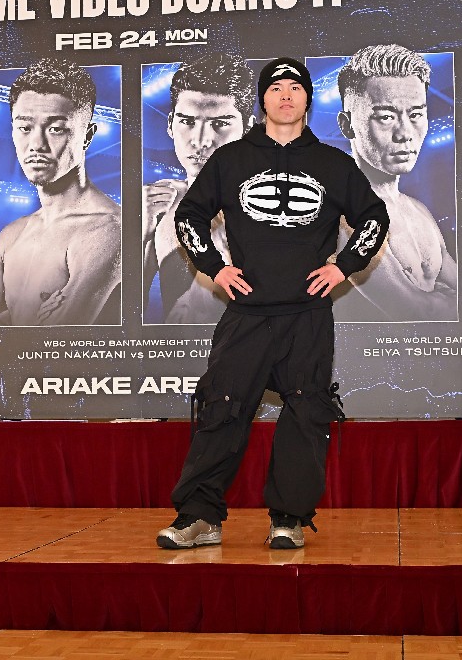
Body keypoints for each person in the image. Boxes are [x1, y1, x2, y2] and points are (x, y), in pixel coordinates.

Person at [157, 58, 389, 550]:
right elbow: (189, 216)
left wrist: (343, 266)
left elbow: (374, 218)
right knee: (221, 409)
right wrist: (214, 266)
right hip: (247, 313)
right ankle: (199, 517)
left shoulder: (332, 163)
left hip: (307, 315)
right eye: (276, 87)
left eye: (295, 87)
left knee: (306, 415)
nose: (286, 95)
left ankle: (289, 519)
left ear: (307, 99)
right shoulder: (231, 159)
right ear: (262, 99)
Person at [0, 58, 121, 326]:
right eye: (25, 128)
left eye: (56, 129)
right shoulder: (12, 234)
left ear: (87, 136)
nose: (36, 144)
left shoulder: (108, 230)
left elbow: (54, 340)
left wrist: (11, 322)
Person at [334, 44, 457, 321]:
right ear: (346, 125)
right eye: (386, 117)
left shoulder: (418, 210)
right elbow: (417, 312)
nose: (405, 134)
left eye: (416, 115)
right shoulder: (345, 216)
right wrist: (443, 300)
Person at [143, 54, 255, 324]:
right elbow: (129, 312)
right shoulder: (159, 206)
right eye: (188, 121)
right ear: (170, 124)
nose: (201, 141)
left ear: (248, 129)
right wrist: (140, 236)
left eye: (220, 124)